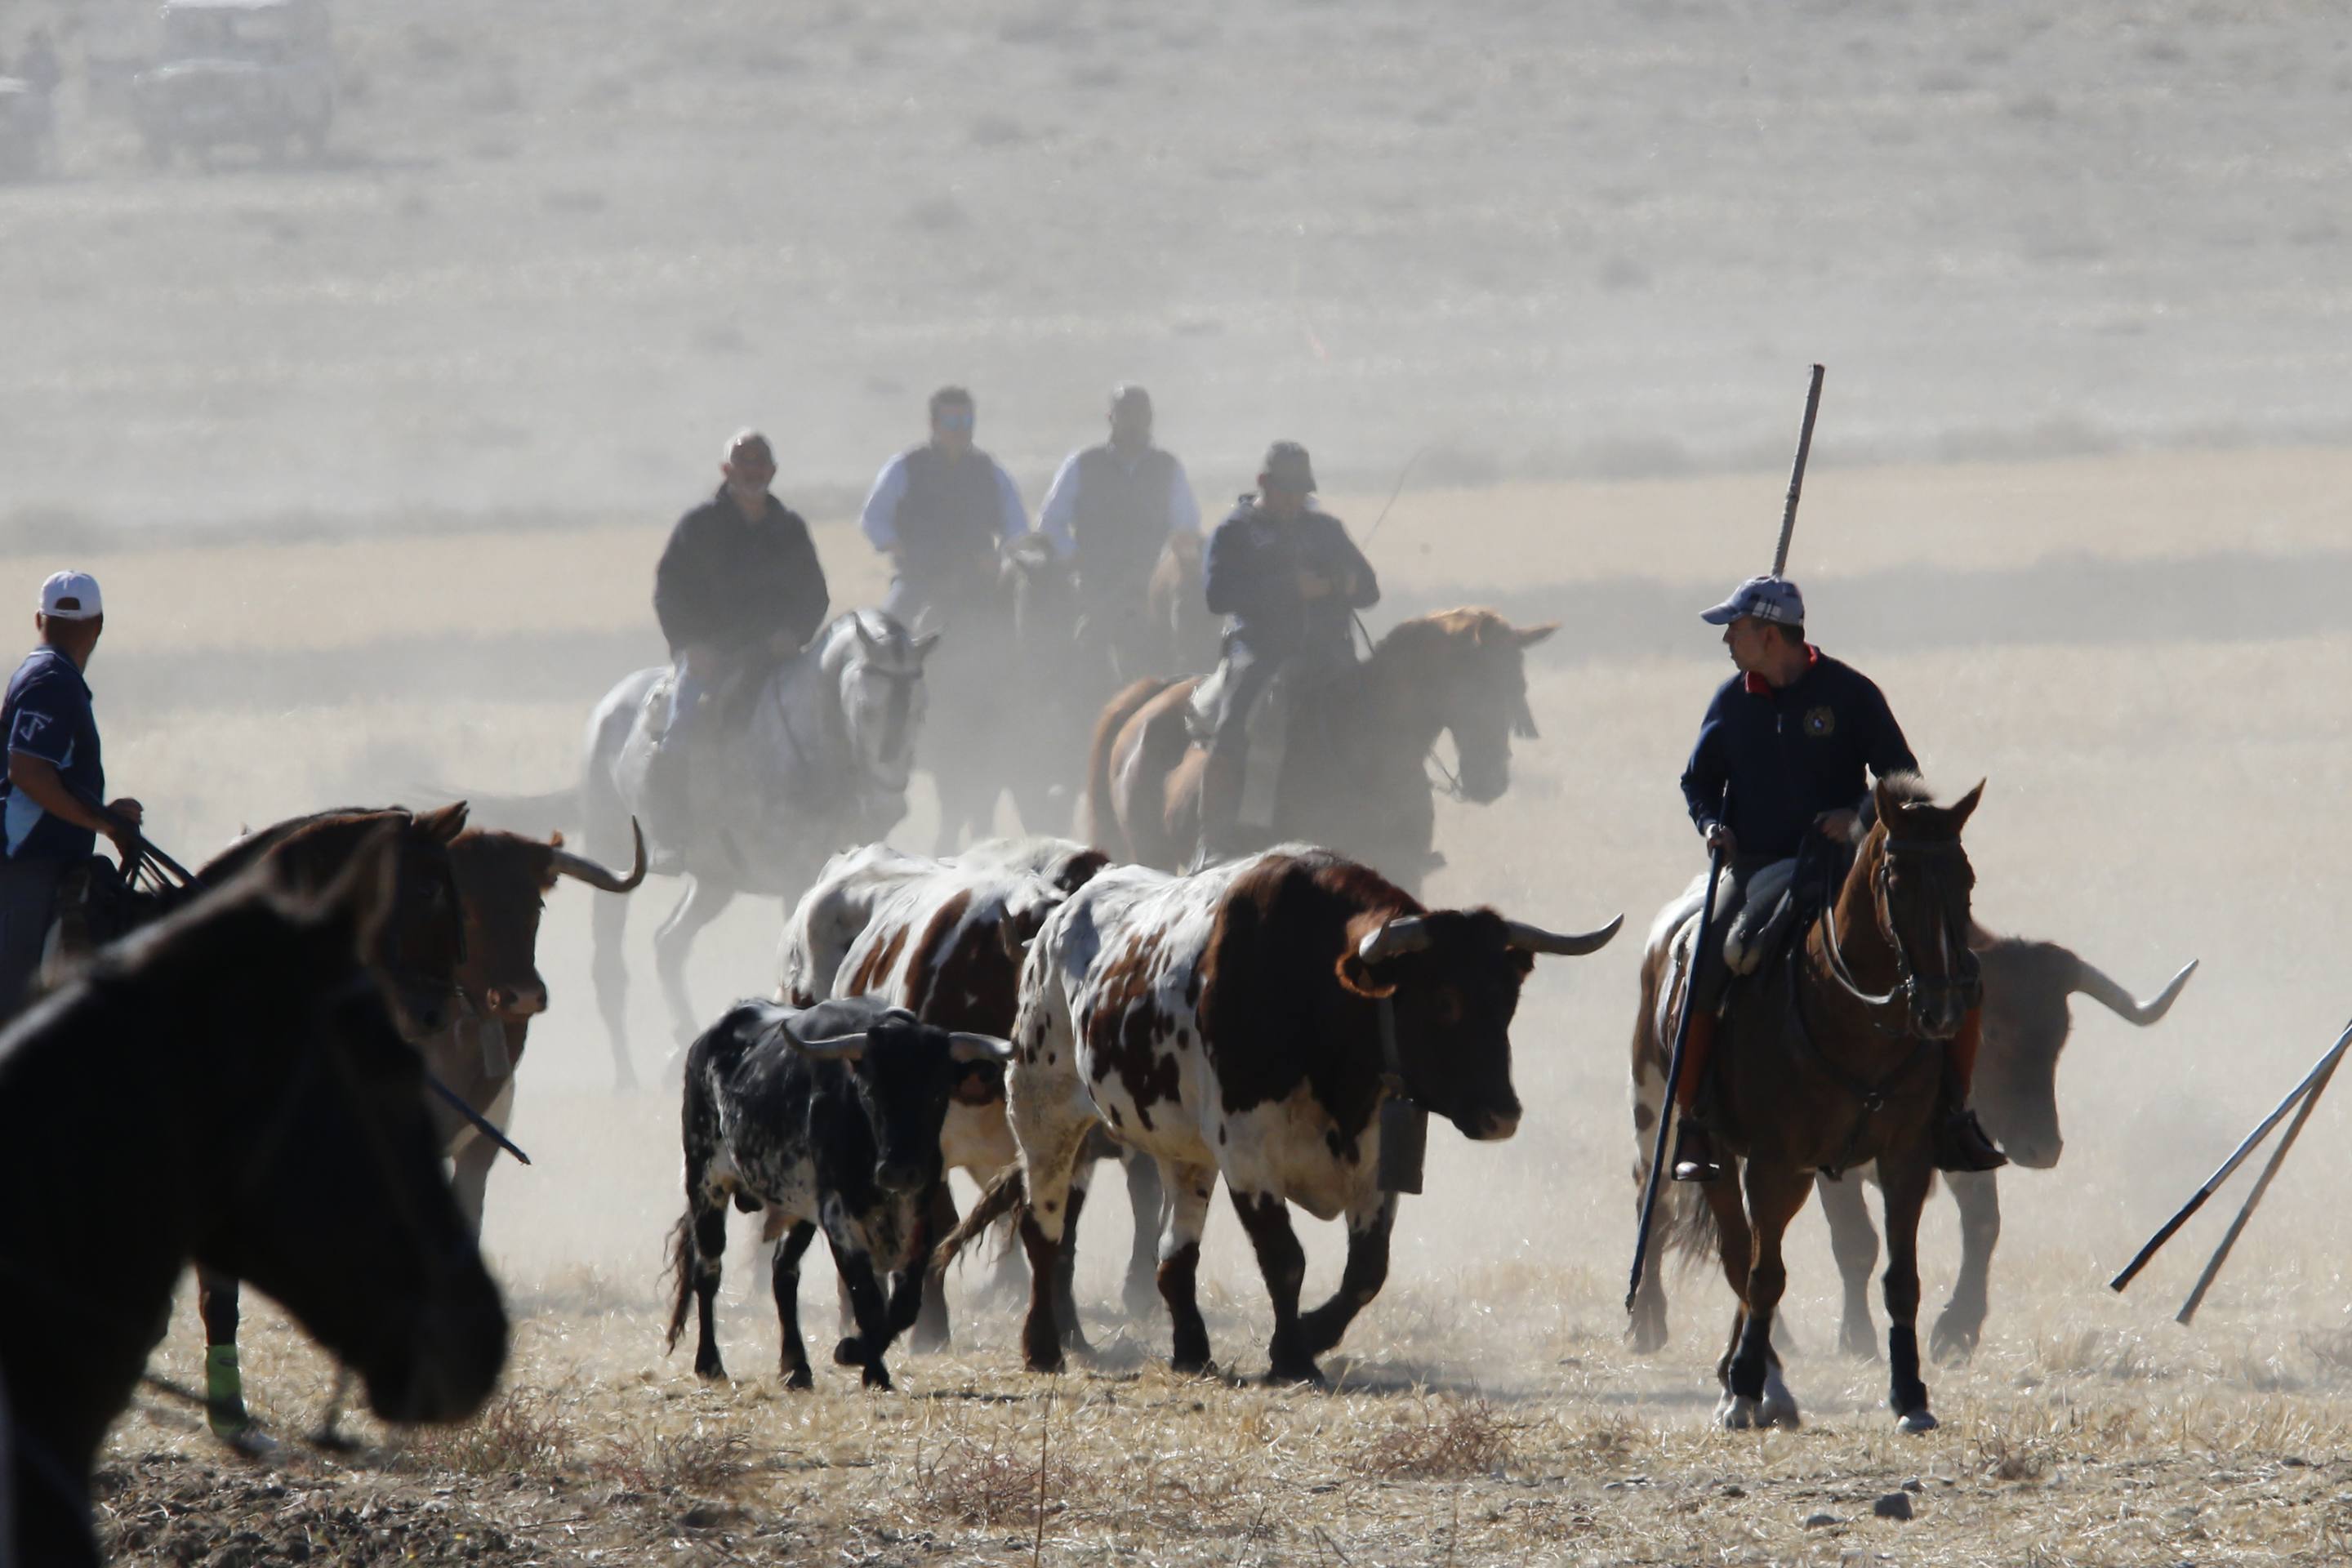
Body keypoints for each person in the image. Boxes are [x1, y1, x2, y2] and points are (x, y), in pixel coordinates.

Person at [1668, 573, 2004, 1183]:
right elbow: (1697, 782)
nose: (1728, 642)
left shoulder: (1850, 694)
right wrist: (1711, 823)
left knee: (1961, 969)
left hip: (1845, 870)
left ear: (1770, 636)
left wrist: (1860, 816)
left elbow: (1903, 780)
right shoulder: (1730, 701)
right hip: (1755, 869)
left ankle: (1952, 1113)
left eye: (1736, 631)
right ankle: (1695, 1122)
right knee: (1709, 963)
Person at [1193, 441, 1377, 867]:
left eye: (1301, 491)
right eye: (1287, 490)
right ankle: (1213, 837)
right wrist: (1287, 590)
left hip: (1328, 653)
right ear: (1263, 483)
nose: (1296, 501)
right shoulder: (1235, 531)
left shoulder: (1326, 529)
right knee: (1234, 724)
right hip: (1258, 650)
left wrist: (1339, 585)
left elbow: (1370, 588)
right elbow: (1218, 597)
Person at [648, 431, 829, 826]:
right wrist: (690, 645)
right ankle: (668, 829)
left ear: (774, 471)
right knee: (680, 730)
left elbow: (815, 595)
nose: (752, 472)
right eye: (743, 464)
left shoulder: (790, 528)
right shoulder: (698, 526)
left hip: (775, 656)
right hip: (710, 657)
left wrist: (794, 634)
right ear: (726, 470)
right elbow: (669, 592)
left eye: (760, 465)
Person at [0, 572, 140, 1018]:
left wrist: (104, 813)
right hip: (27, 867)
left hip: (35, 861)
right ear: (98, 625)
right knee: (19, 1020)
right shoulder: (52, 682)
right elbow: (29, 772)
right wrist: (104, 824)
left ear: (40, 619)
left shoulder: (43, 676)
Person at [858, 386, 1030, 628]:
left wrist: (1001, 559)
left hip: (978, 584)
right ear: (934, 424)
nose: (960, 429)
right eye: (951, 421)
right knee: (886, 635)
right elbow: (873, 519)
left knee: (1017, 634)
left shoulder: (991, 471)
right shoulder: (905, 467)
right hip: (917, 583)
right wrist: (901, 549)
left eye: (966, 420)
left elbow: (1017, 526)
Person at [1035, 385, 1200, 634]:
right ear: (1111, 418)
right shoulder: (1082, 464)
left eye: (1140, 415)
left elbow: (1185, 528)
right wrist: (1074, 557)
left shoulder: (1168, 468)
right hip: (1094, 581)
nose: (1133, 423)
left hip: (1151, 584)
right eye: (1126, 414)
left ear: (1150, 419)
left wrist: (1162, 568)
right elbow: (1050, 522)